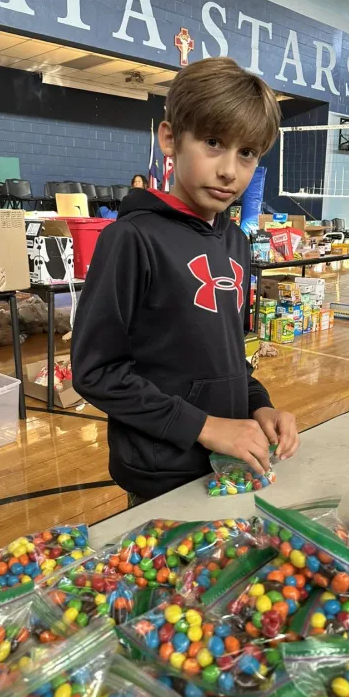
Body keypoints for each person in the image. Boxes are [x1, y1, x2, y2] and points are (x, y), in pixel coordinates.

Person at [71, 57, 300, 507]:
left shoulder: (234, 242)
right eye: (214, 143)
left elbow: (227, 354)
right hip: (163, 470)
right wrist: (206, 427)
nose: (230, 171)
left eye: (247, 153)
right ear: (170, 139)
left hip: (231, 461)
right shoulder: (131, 239)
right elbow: (97, 372)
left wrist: (260, 405)